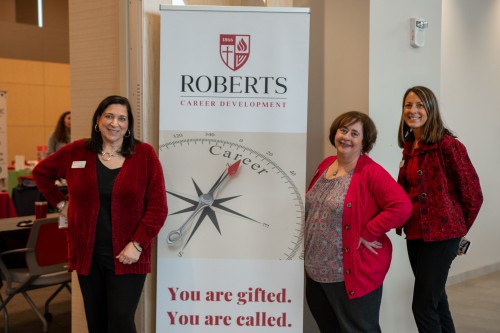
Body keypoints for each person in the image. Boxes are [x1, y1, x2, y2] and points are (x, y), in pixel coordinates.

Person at [32, 95, 168, 333]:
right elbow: (41, 173)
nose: (115, 123)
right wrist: (62, 204)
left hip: (127, 254)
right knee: (96, 322)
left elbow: (158, 208)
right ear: (98, 119)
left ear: (128, 125)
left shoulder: (144, 154)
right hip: (88, 254)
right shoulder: (77, 151)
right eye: (109, 116)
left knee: (121, 320)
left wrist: (137, 244)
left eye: (122, 118)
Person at [305, 111, 412, 333]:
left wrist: (368, 232)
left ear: (364, 142)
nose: (346, 137)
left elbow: (402, 206)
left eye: (355, 133)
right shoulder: (325, 164)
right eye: (343, 130)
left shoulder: (370, 172)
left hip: (348, 275)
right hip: (316, 272)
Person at [396, 86, 483, 333]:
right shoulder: (410, 147)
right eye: (408, 105)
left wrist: (457, 230)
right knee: (437, 301)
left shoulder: (448, 146)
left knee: (422, 306)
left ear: (431, 109)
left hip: (442, 235)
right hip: (415, 234)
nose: (413, 110)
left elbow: (473, 194)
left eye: (420, 105)